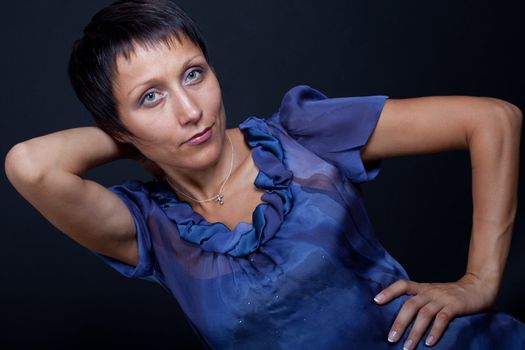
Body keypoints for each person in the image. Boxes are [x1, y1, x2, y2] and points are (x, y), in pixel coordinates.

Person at [4, 0, 524, 349]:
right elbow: (29, 165)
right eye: (151, 97)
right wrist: (134, 138)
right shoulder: (149, 229)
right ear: (117, 124)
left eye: (193, 74)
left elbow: (494, 120)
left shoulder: (302, 134)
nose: (190, 110)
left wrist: (479, 281)